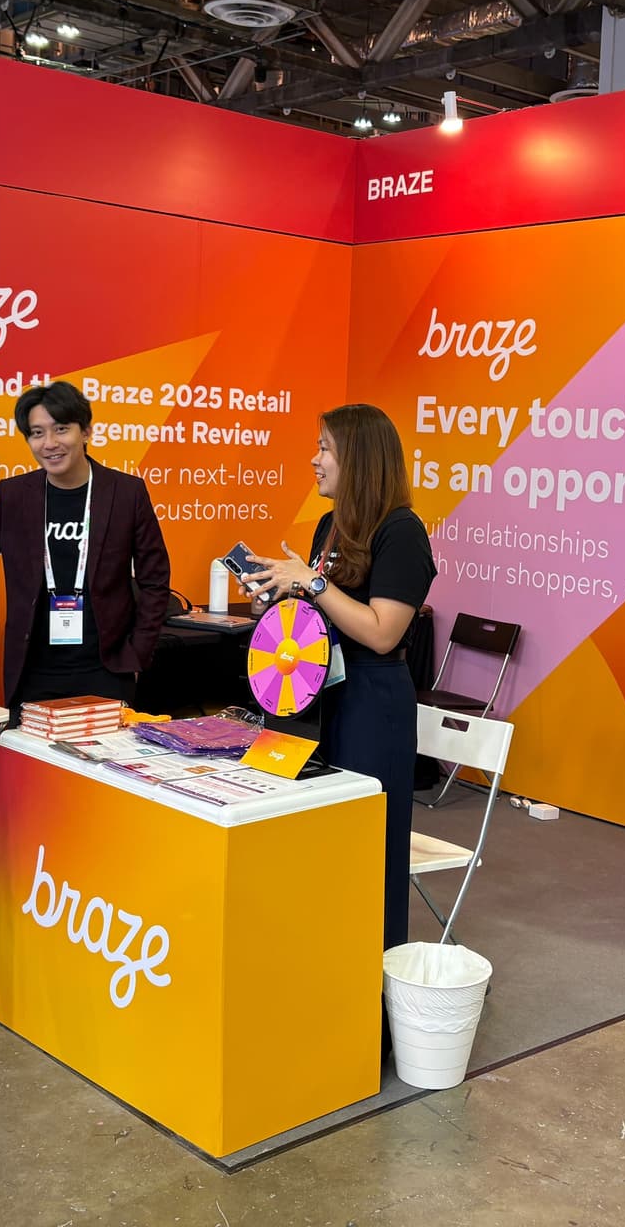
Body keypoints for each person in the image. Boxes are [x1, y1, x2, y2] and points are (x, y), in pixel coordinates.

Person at [244, 404, 437, 950]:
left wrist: (312, 585)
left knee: (368, 850)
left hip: (373, 705)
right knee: (323, 840)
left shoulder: (402, 532)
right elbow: (328, 615)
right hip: (322, 700)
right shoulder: (332, 526)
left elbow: (381, 632)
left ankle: (372, 997)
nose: (314, 460)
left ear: (359, 458)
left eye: (325, 448)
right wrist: (284, 589)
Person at [0, 380, 172, 716]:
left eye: (61, 429)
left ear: (86, 432)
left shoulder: (126, 493)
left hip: (106, 670)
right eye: (37, 433)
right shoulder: (14, 496)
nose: (49, 444)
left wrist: (137, 654)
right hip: (34, 671)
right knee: (33, 766)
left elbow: (154, 580)